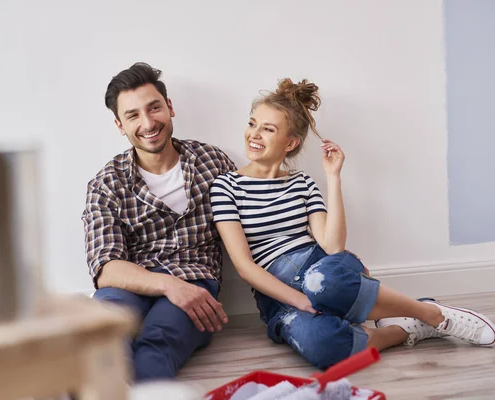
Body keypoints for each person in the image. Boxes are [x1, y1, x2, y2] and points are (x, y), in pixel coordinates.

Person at [210, 78, 495, 369]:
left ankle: (431, 314)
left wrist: (334, 177)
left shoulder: (303, 183)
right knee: (322, 346)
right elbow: (245, 266)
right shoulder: (226, 186)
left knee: (321, 282)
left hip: (321, 270)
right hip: (277, 294)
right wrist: (299, 300)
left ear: (291, 142)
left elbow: (332, 246)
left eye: (268, 129)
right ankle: (404, 329)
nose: (253, 134)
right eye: (252, 123)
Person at [81, 62, 236, 382]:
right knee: (104, 345)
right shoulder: (106, 183)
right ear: (119, 125)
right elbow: (106, 267)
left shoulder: (214, 162)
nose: (148, 123)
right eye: (133, 115)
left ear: (170, 107)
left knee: (155, 347)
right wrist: (170, 285)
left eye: (154, 108)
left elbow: (254, 229)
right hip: (127, 287)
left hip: (196, 283)